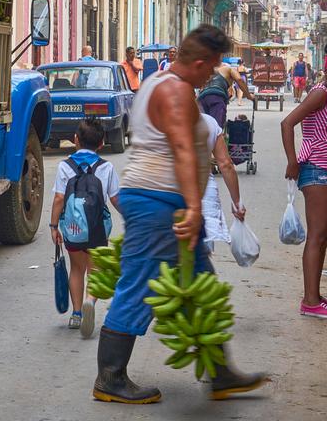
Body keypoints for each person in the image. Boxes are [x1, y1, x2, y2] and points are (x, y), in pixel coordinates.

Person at [92, 25, 266, 405]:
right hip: (156, 202)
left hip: (163, 200)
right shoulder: (175, 91)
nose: (214, 76)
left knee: (199, 280)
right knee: (139, 283)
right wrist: (191, 207)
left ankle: (221, 373)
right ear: (201, 63)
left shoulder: (158, 80)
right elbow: (185, 150)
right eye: (213, 68)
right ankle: (110, 377)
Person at [281, 36, 327, 320]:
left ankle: (316, 294)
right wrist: (292, 162)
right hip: (314, 167)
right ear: (325, 70)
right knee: (317, 236)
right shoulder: (320, 93)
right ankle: (310, 301)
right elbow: (287, 123)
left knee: (326, 235)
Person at [49, 119, 120, 338]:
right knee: (95, 270)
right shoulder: (106, 167)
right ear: (101, 143)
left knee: (77, 269)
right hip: (98, 228)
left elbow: (60, 198)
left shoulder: (64, 166)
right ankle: (91, 300)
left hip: (73, 229)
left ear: (76, 140)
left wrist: (53, 226)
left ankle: (77, 313)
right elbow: (116, 199)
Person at [201, 112, 246, 252]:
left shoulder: (162, 122)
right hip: (205, 197)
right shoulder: (208, 122)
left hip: (171, 196)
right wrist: (237, 202)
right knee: (202, 256)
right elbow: (225, 164)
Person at [197, 62, 254, 129]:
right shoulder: (229, 69)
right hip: (216, 97)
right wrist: (248, 95)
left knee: (204, 127)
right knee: (217, 128)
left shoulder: (210, 72)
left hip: (202, 99)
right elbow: (239, 80)